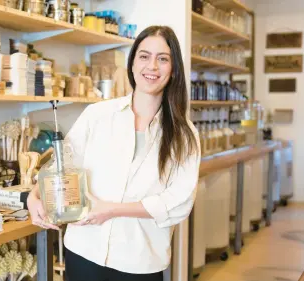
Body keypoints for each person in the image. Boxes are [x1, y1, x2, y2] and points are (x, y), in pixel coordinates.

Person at [27, 25, 201, 281]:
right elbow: (62, 165)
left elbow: (178, 201)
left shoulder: (184, 135)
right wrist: (34, 196)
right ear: (132, 64)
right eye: (144, 56)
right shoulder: (97, 115)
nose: (152, 66)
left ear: (173, 70)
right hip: (84, 249)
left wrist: (112, 209)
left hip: (140, 260)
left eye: (162, 59)